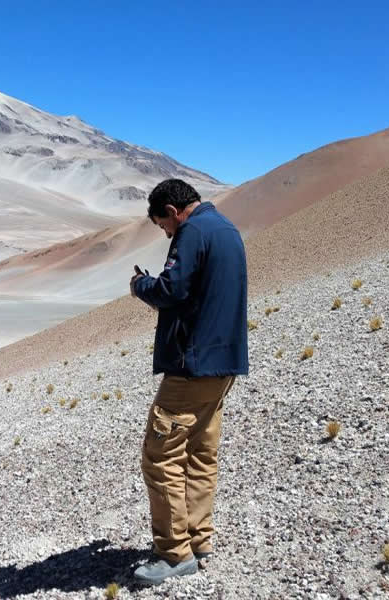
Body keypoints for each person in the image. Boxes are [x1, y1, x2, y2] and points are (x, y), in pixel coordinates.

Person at [128, 178, 249, 586]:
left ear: (173, 211)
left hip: (191, 365)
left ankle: (173, 552)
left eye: (163, 224)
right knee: (199, 452)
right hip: (223, 363)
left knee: (160, 456)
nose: (165, 232)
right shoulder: (228, 229)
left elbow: (172, 288)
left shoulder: (192, 231)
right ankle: (198, 538)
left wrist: (140, 285)